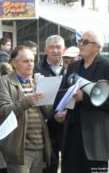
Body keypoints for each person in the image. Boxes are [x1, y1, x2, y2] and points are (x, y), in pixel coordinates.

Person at [54, 30, 109, 173]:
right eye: (80, 41)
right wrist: (59, 112)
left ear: (97, 47)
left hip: (94, 139)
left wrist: (84, 99)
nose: (81, 44)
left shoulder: (108, 66)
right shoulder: (74, 66)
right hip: (71, 134)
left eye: (86, 42)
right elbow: (61, 93)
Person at [0, 45, 51, 173]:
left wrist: (48, 94)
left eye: (32, 60)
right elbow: (1, 112)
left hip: (39, 147)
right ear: (14, 63)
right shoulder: (4, 82)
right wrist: (26, 102)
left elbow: (47, 114)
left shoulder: (36, 82)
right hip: (19, 149)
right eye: (25, 61)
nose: (30, 64)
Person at [34, 35, 65, 173]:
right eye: (52, 47)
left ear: (63, 49)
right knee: (50, 163)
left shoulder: (72, 68)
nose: (55, 50)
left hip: (67, 120)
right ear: (45, 50)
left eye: (58, 47)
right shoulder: (37, 69)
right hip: (46, 124)